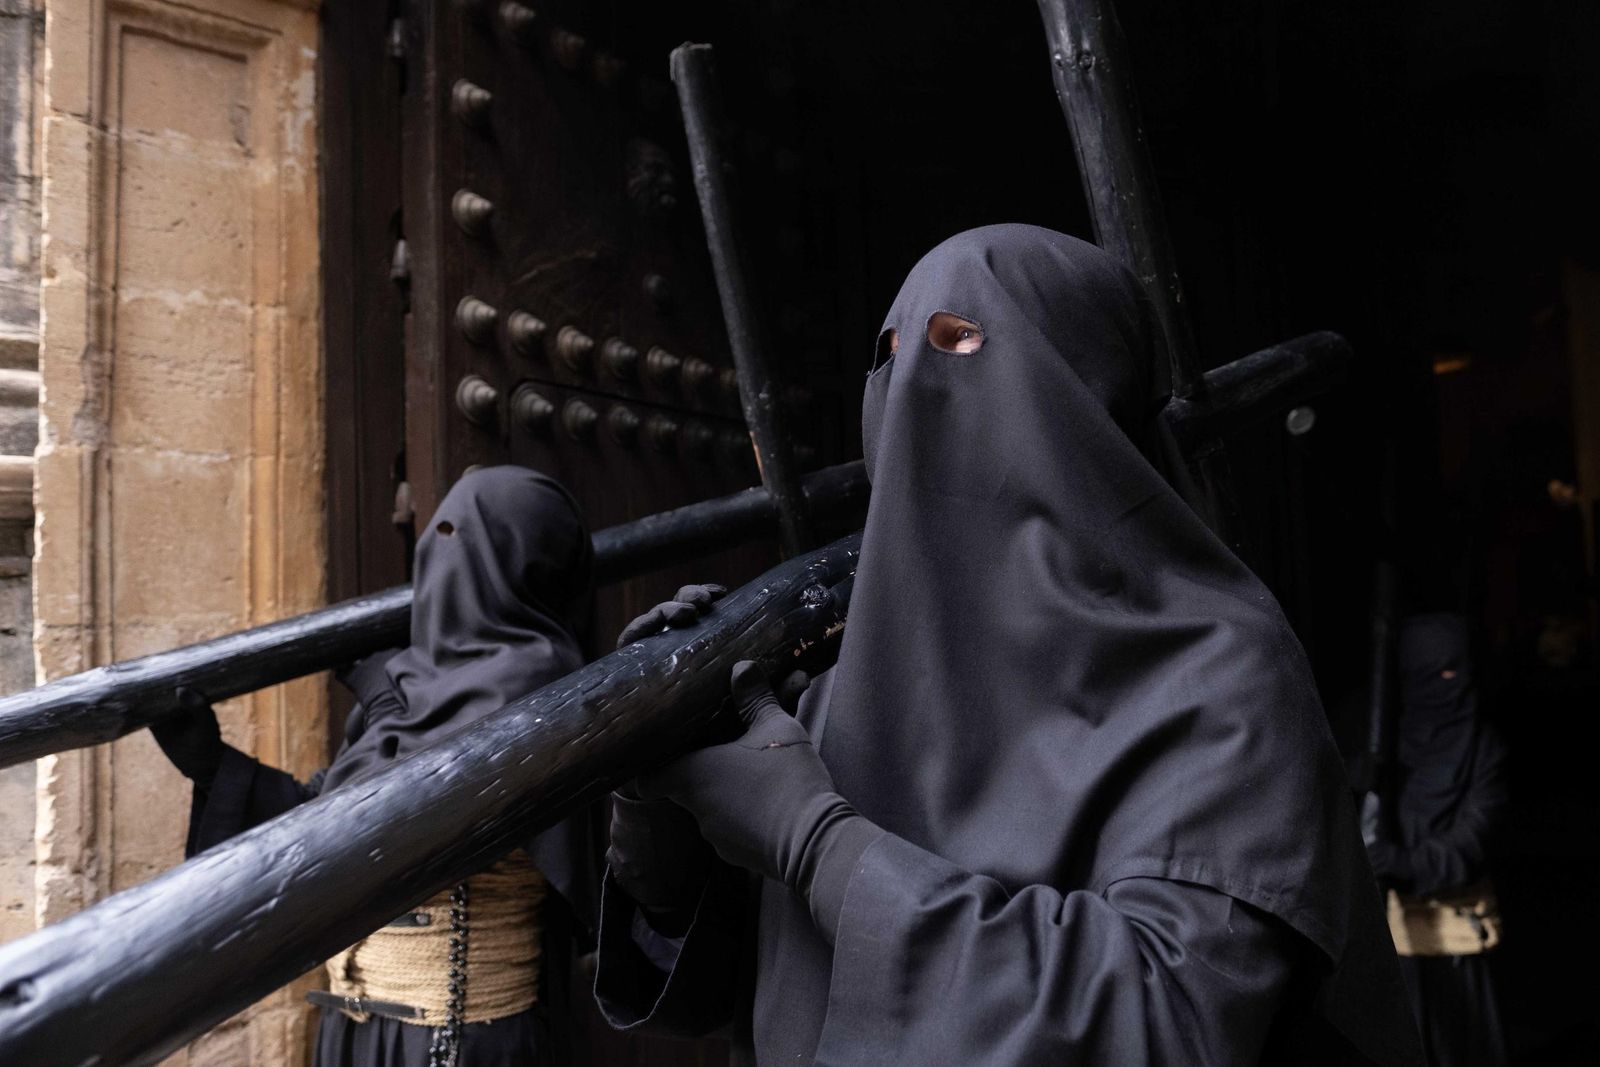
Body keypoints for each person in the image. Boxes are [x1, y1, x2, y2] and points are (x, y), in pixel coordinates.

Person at [594, 224, 1424, 1064]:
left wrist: (817, 841)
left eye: (961, 339)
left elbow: (1166, 1025)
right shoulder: (837, 678)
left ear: (1085, 386)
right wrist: (663, 791)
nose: (913, 382)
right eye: (889, 355)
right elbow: (755, 991)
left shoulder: (1219, 671)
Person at [150, 466, 600, 1067]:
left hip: (453, 1037)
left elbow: (414, 821)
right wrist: (217, 768)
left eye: (461, 541)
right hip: (353, 1026)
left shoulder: (541, 681)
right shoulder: (415, 680)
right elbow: (333, 818)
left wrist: (387, 705)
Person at [1366, 614, 1510, 1067]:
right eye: (1439, 672)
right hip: (1392, 943)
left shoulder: (1483, 747)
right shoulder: (1379, 740)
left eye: (1458, 669)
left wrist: (1402, 862)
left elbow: (1473, 839)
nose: (1455, 683)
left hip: (1457, 940)